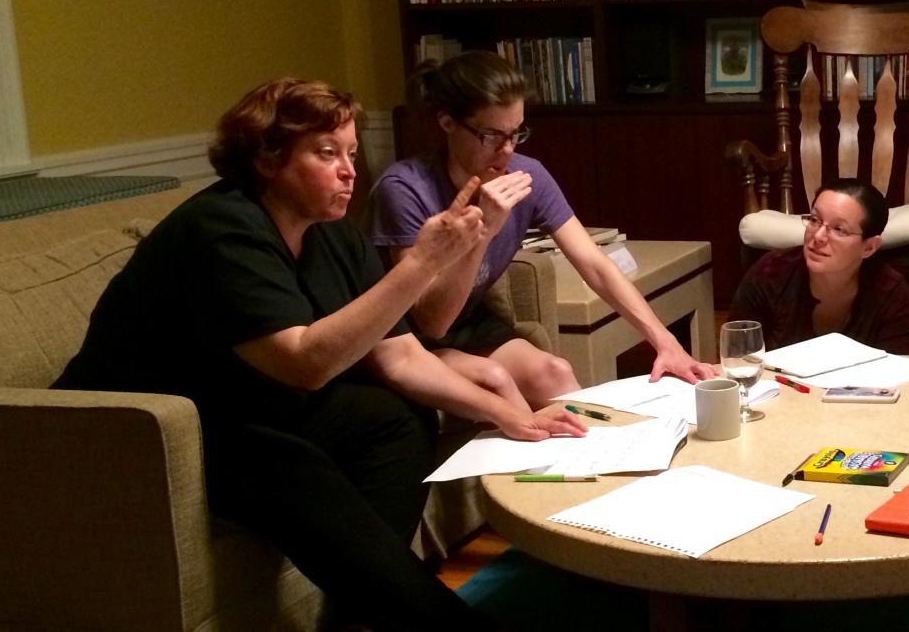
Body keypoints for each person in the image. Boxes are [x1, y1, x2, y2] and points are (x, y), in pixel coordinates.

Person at [53, 78, 582, 631]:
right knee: (285, 465)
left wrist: (514, 415)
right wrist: (422, 264)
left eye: (352, 153)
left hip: (241, 401)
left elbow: (400, 357)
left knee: (396, 420)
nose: (350, 170)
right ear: (267, 158)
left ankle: (359, 614)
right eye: (327, 154)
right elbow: (303, 365)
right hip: (137, 432)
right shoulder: (224, 227)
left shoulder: (332, 233)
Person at [368, 52, 713, 405]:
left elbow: (594, 264)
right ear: (447, 122)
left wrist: (664, 342)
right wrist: (483, 230)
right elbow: (433, 322)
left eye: (516, 134)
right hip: (407, 339)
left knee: (556, 373)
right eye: (491, 136)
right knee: (497, 379)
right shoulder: (404, 189)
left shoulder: (526, 173)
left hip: (471, 325)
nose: (506, 151)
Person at [728, 178, 909, 356]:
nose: (818, 236)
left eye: (839, 229)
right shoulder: (769, 274)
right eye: (814, 220)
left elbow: (895, 372)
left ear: (869, 247)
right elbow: (738, 356)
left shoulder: (890, 291)